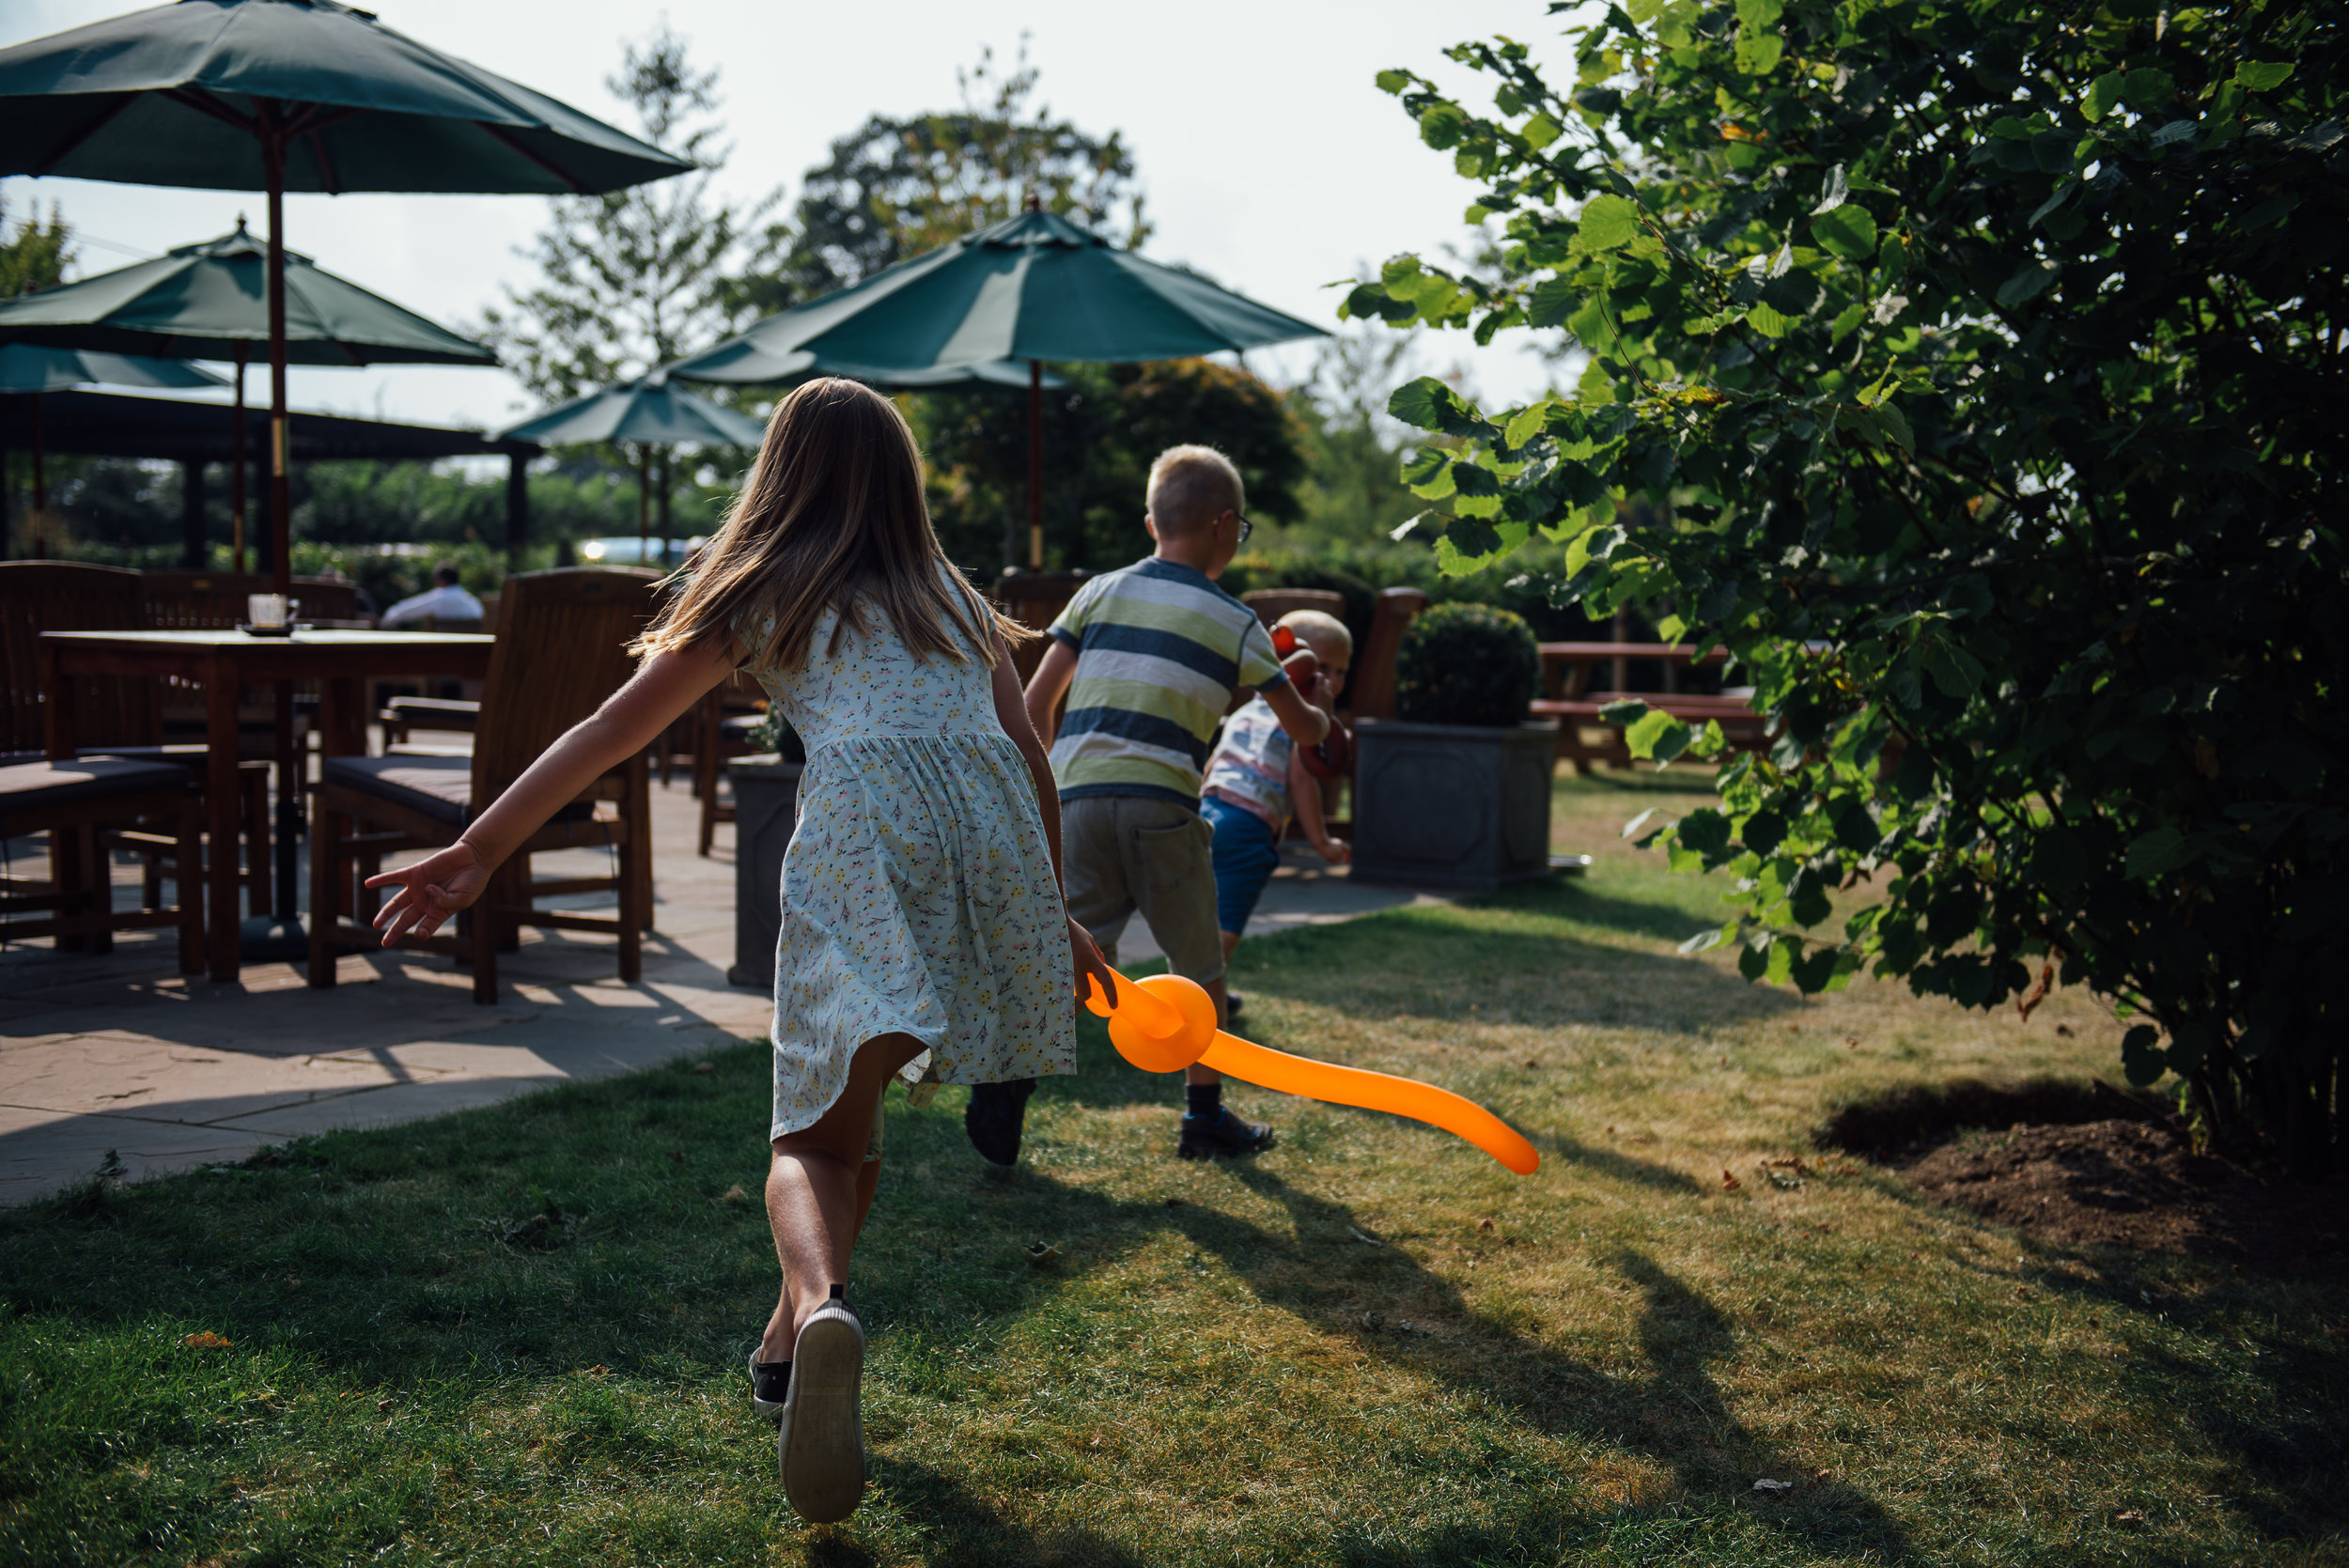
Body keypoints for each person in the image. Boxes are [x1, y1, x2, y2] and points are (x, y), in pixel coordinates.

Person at [363, 379, 1111, 1527]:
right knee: (852, 1130)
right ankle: (787, 1346)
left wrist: (479, 845)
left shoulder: (769, 584)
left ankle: (817, 1311)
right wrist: (1049, 910)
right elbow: (1028, 752)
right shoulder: (955, 597)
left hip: (871, 832)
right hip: (990, 840)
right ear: (902, 484)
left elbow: (613, 727)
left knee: (806, 1134)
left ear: (781, 474)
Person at [968, 445, 1330, 1167]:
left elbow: (1038, 701)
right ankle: (1204, 1116)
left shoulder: (1100, 592)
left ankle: (1009, 1077)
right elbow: (1301, 729)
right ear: (1227, 526)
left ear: (1150, 521)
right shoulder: (1238, 622)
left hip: (1076, 801)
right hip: (1162, 806)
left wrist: (1044, 793)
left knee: (1073, 959)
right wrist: (1321, 713)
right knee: (1200, 969)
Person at [1201, 609, 1353, 999]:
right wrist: (1321, 842)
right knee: (1230, 918)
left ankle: (1206, 988)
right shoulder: (1297, 721)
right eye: (1321, 669)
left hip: (1209, 813)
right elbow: (1302, 780)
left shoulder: (1243, 712)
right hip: (1249, 822)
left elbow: (1215, 763)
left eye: (1340, 672)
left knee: (1206, 911)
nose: (1331, 681)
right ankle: (1203, 995)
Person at [378, 564, 485, 628]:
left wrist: (388, 619)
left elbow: (409, 610)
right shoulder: (472, 601)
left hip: (445, 651)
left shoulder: (440, 597)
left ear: (440, 580)